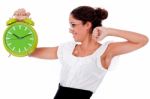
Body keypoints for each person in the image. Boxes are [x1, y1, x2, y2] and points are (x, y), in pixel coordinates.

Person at [14, 6, 148, 99]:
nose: (70, 29)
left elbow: (142, 40)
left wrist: (108, 31)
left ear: (88, 25)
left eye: (73, 25)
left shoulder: (105, 51)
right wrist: (22, 25)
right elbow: (29, 51)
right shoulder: (66, 49)